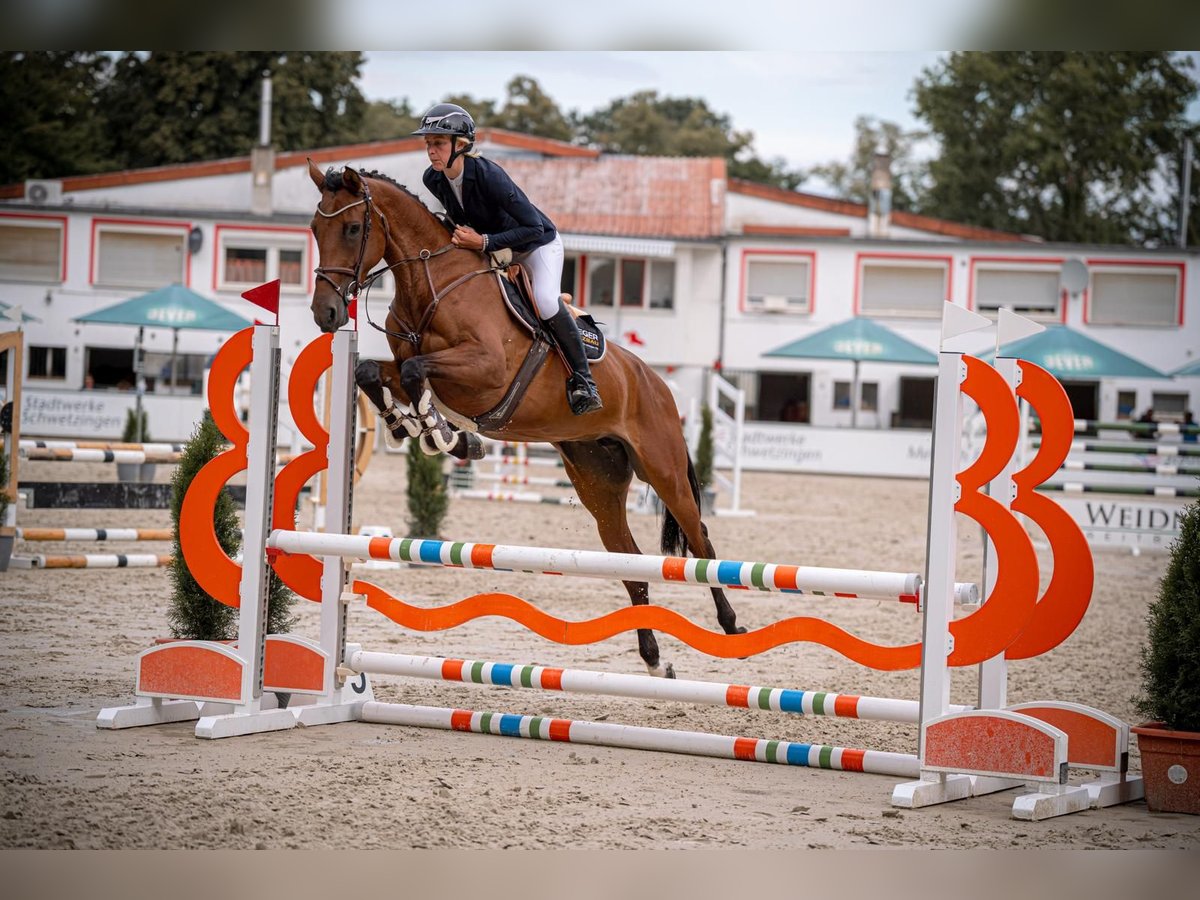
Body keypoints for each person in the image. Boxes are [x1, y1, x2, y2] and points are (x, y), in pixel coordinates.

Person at [414, 103, 602, 415]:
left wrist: (484, 242)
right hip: (496, 250)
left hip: (536, 245)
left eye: (439, 143)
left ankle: (584, 381)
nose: (431, 151)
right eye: (428, 143)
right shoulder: (433, 179)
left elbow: (534, 227)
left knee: (545, 301)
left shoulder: (489, 176)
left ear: (461, 145)